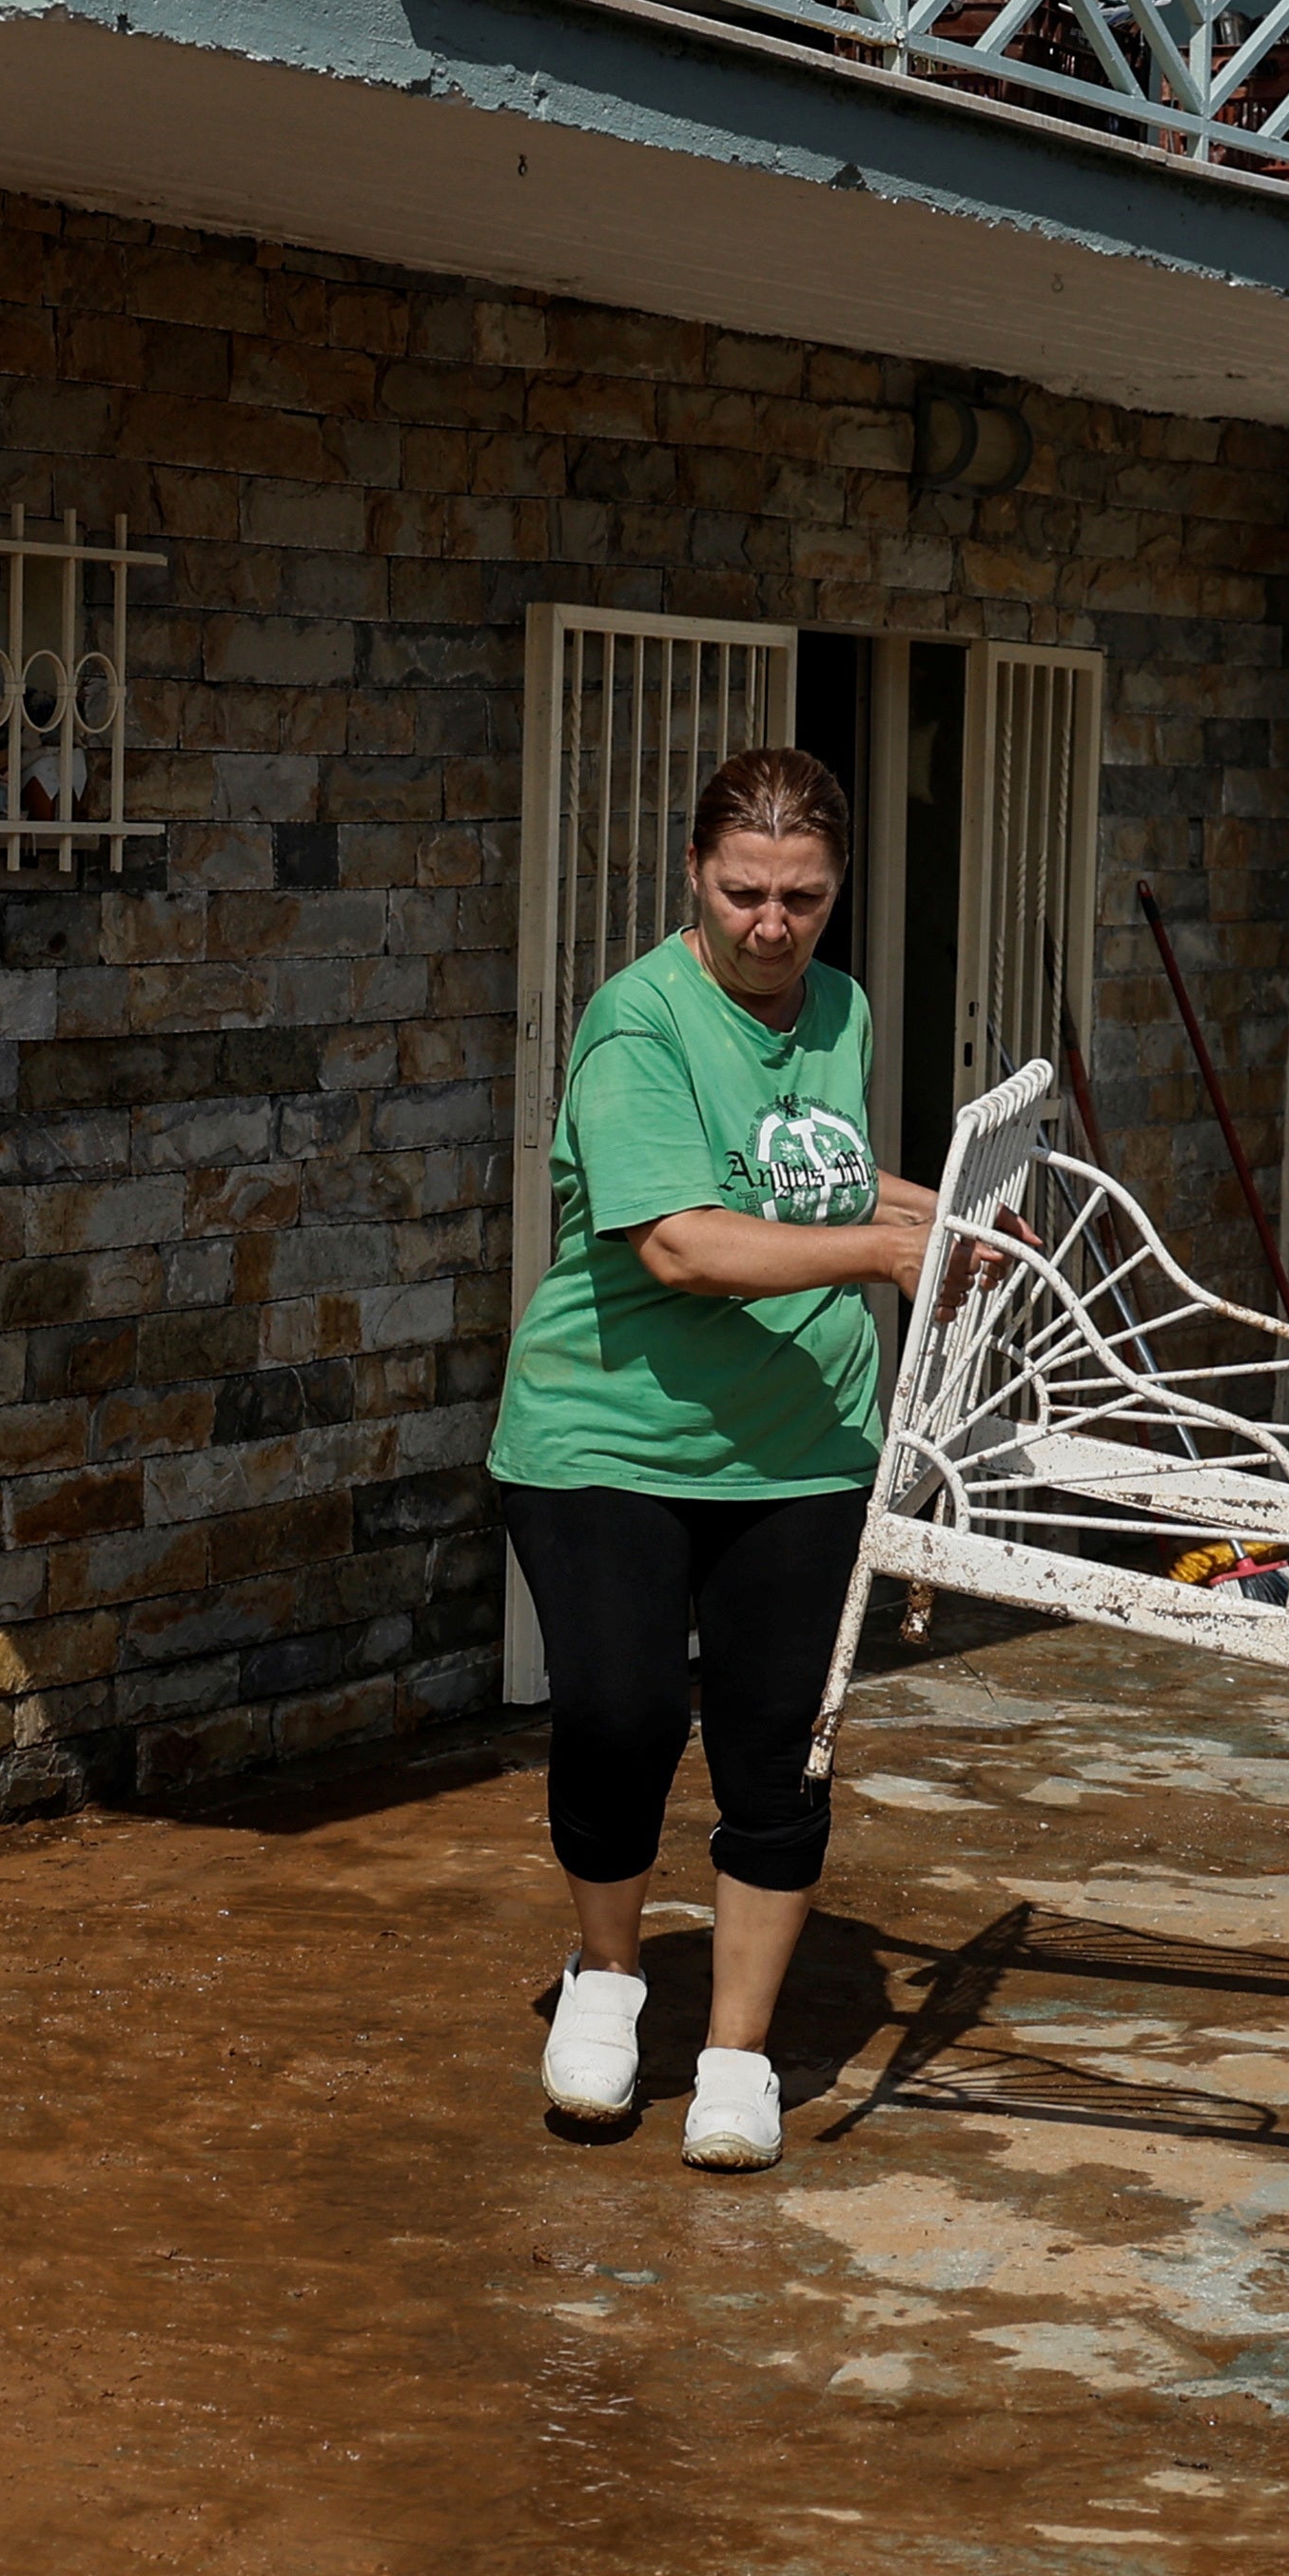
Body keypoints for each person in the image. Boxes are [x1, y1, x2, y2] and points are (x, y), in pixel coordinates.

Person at [487, 745, 942, 2176]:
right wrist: (885, 1251)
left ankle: (737, 2053)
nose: (772, 923)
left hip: (802, 1449)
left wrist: (951, 1212)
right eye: (744, 892)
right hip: (609, 1440)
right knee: (621, 1714)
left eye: (802, 896)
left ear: (834, 888)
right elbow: (683, 1238)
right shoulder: (637, 1023)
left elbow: (804, 1169)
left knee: (777, 1750)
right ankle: (610, 1979)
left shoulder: (844, 1009)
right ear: (695, 876)